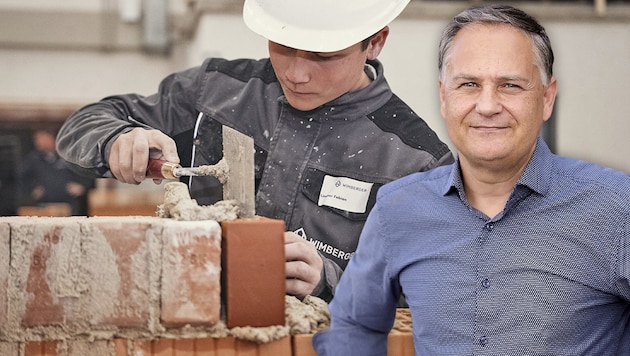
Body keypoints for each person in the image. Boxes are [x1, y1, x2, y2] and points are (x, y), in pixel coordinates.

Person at [55, 0, 454, 302]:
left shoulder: (416, 162)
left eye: (322, 56)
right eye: (283, 47)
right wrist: (116, 139)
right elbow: (84, 124)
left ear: (375, 42)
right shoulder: (216, 90)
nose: (296, 73)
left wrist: (331, 281)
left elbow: (434, 294)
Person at [313, 4, 630, 355]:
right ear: (445, 97)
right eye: (469, 84)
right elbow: (354, 327)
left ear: (546, 98)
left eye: (510, 85)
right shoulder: (397, 210)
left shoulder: (617, 210)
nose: (488, 105)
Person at [20, 128, 94, 216]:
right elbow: (22, 178)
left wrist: (82, 186)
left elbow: (88, 173)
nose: (38, 142)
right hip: (44, 207)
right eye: (36, 139)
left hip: (70, 206)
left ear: (51, 138)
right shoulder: (34, 159)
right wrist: (32, 189)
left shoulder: (69, 155)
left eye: (41, 138)